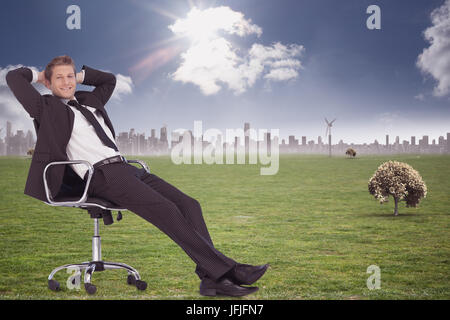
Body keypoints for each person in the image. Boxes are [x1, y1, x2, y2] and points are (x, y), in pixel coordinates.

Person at [6, 55, 268, 297]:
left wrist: (79, 75)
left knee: (189, 205)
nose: (66, 82)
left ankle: (213, 279)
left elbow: (109, 80)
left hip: (127, 168)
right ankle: (230, 270)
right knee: (166, 210)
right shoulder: (45, 107)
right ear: (49, 83)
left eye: (70, 76)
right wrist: (40, 75)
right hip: (100, 175)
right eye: (59, 78)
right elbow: (13, 78)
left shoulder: (89, 101)